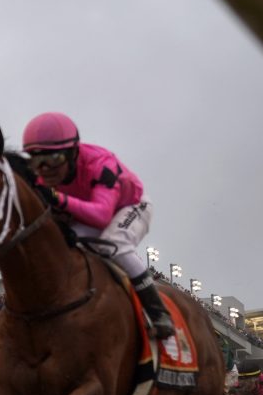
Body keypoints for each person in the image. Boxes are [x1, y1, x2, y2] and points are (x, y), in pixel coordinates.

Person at [22, 112, 174, 340]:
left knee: (114, 243)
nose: (45, 169)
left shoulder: (100, 164)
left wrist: (58, 200)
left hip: (130, 206)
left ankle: (158, 311)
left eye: (53, 160)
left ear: (73, 152)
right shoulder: (43, 176)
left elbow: (102, 216)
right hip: (88, 211)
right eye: (36, 160)